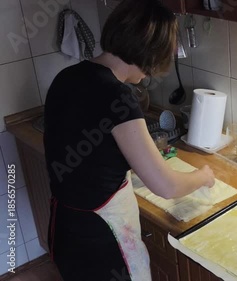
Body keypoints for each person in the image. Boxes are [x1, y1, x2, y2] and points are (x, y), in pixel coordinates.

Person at [43, 0, 215, 280]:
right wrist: (203, 175)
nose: (150, 73)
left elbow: (93, 153)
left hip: (64, 229)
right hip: (101, 241)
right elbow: (166, 186)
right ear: (149, 53)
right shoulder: (116, 96)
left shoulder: (67, 77)